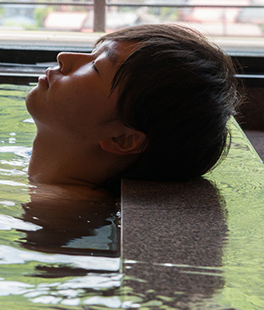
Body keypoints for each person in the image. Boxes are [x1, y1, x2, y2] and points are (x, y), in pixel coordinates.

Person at [25, 23, 241, 189]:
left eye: (95, 66)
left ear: (122, 139)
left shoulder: (55, 218)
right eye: (93, 53)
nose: (64, 57)